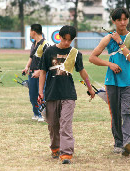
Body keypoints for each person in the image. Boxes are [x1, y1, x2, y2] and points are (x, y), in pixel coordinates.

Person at [38, 25, 95, 164]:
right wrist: (40, 91)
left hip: (68, 94)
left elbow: (82, 72)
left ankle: (66, 153)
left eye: (70, 40)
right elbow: (43, 71)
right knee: (53, 125)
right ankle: (55, 148)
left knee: (66, 124)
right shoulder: (48, 51)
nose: (66, 43)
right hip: (51, 93)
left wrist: (90, 88)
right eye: (64, 39)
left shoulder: (75, 53)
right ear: (59, 36)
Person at [89, 7, 130, 156]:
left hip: (129, 81)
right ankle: (118, 143)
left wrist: (120, 43)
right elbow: (92, 57)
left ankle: (128, 142)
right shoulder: (107, 38)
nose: (123, 22)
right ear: (114, 21)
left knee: (127, 111)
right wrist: (109, 64)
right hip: (111, 82)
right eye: (119, 20)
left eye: (125, 19)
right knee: (115, 114)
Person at [22, 24, 49, 122]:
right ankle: (36, 113)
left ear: (33, 31)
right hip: (32, 74)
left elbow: (47, 61)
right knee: (32, 95)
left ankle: (43, 114)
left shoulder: (45, 44)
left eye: (30, 31)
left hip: (41, 74)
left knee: (41, 95)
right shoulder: (33, 44)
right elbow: (31, 57)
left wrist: (40, 71)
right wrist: (26, 67)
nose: (30, 34)